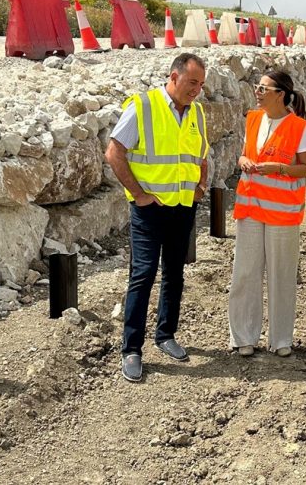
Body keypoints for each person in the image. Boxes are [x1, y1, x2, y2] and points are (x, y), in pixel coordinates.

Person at [105, 53, 209, 383]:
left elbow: (201, 155)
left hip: (183, 207)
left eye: (201, 85)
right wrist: (139, 195)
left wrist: (201, 186)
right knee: (143, 274)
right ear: (173, 77)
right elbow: (114, 152)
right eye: (192, 82)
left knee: (175, 274)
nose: (196, 90)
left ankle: (165, 335)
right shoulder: (143, 106)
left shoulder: (197, 112)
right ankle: (131, 349)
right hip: (149, 210)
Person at [229, 71, 306, 358]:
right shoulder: (253, 119)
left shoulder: (299, 127)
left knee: (281, 276)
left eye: (263, 88)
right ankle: (243, 336)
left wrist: (279, 168)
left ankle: (280, 339)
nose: (257, 91)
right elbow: (244, 153)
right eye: (257, 86)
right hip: (251, 208)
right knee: (245, 273)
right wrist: (243, 160)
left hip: (282, 213)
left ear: (280, 94)